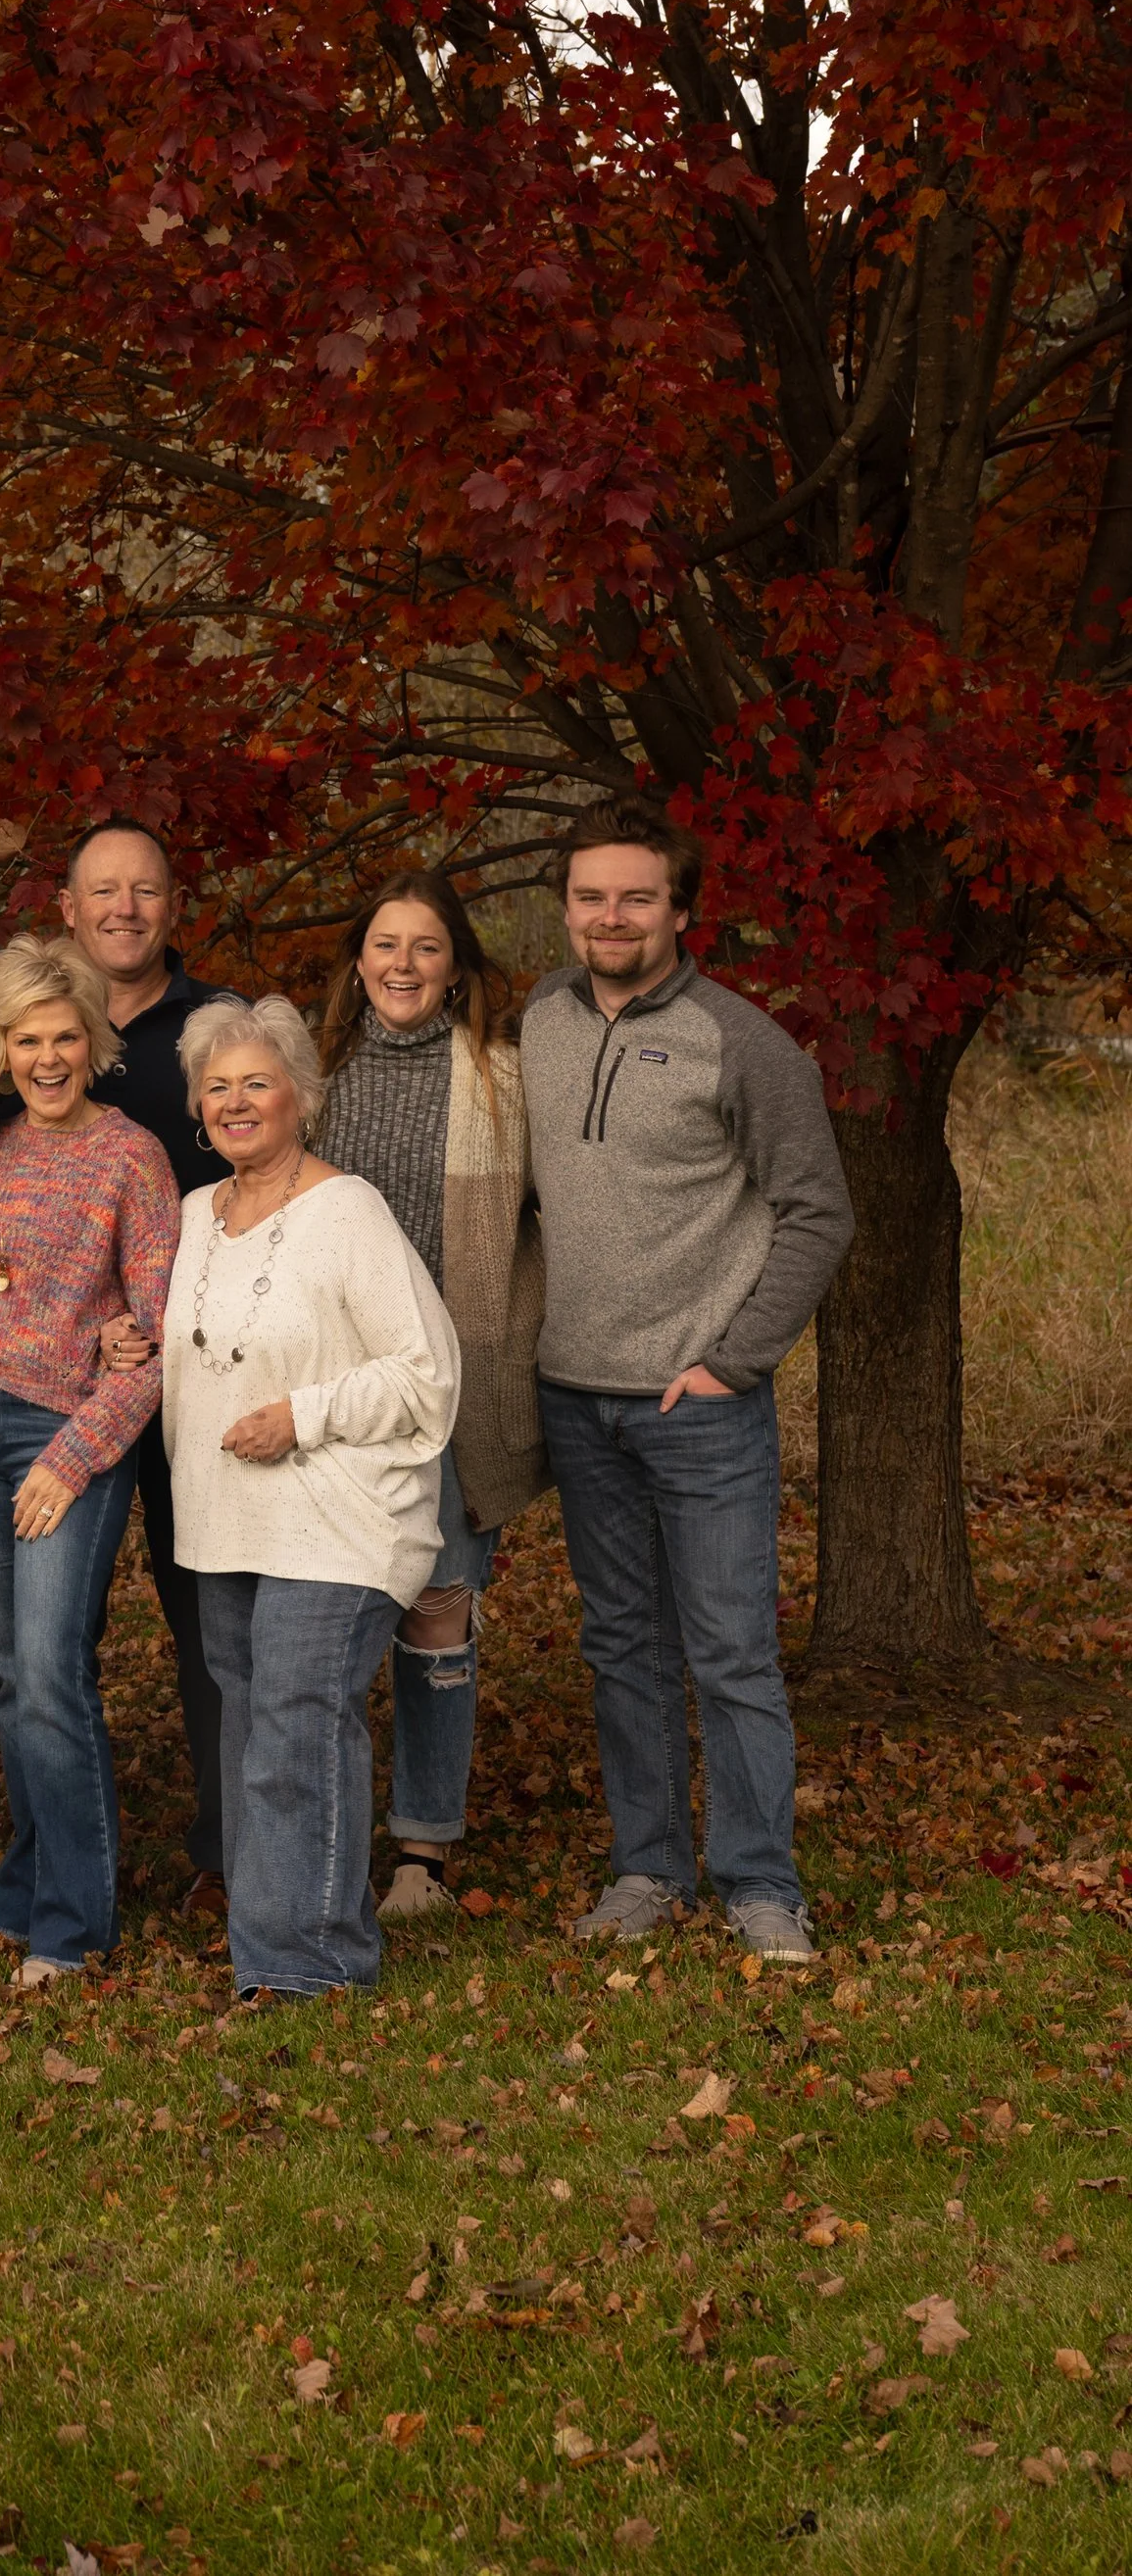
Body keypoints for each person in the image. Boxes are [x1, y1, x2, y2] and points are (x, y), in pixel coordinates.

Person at [523, 796, 854, 1968]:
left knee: (730, 1653)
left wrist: (733, 1360)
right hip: (574, 1396)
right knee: (622, 1647)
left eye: (635, 897)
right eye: (589, 896)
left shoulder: (742, 1042)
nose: (610, 916)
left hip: (698, 1408)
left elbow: (819, 1214)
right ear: (564, 907)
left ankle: (762, 1884)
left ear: (680, 909)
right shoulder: (540, 1021)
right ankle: (648, 1868)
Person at [166, 996, 462, 1997]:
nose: (236, 1102)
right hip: (225, 1523)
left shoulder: (347, 1211)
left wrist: (305, 1413)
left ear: (301, 1095)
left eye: (258, 1082)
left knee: (296, 1728)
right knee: (254, 1734)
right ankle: (276, 1945)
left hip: (337, 1517)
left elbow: (427, 1373)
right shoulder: (187, 1221)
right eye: (217, 1088)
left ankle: (310, 1966)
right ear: (196, 1109)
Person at [0, 937, 179, 1983]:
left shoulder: (131, 1155)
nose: (45, 1057)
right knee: (6, 1671)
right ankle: (30, 1887)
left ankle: (72, 1925)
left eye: (63, 1037)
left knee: (48, 1670)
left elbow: (163, 1340)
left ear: (93, 1041)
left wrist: (74, 1456)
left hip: (62, 1436)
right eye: (24, 1039)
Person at [308, 871, 543, 1920]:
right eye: (384, 945)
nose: (401, 965)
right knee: (321, 1613)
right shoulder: (312, 1073)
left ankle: (422, 1851)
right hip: (323, 1385)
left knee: (436, 1609)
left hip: (451, 1385)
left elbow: (559, 1228)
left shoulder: (505, 1079)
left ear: (457, 970)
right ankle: (314, 1834)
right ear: (358, 961)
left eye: (426, 948)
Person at [50, 818, 234, 1915]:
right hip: (47, 1380)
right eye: (102, 891)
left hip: (194, 1372)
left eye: (146, 890)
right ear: (66, 909)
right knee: (44, 1632)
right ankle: (65, 1853)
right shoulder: (29, 1028)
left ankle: (226, 1846)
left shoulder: (216, 1029)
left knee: (208, 1615)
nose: (124, 908)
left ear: (174, 906)